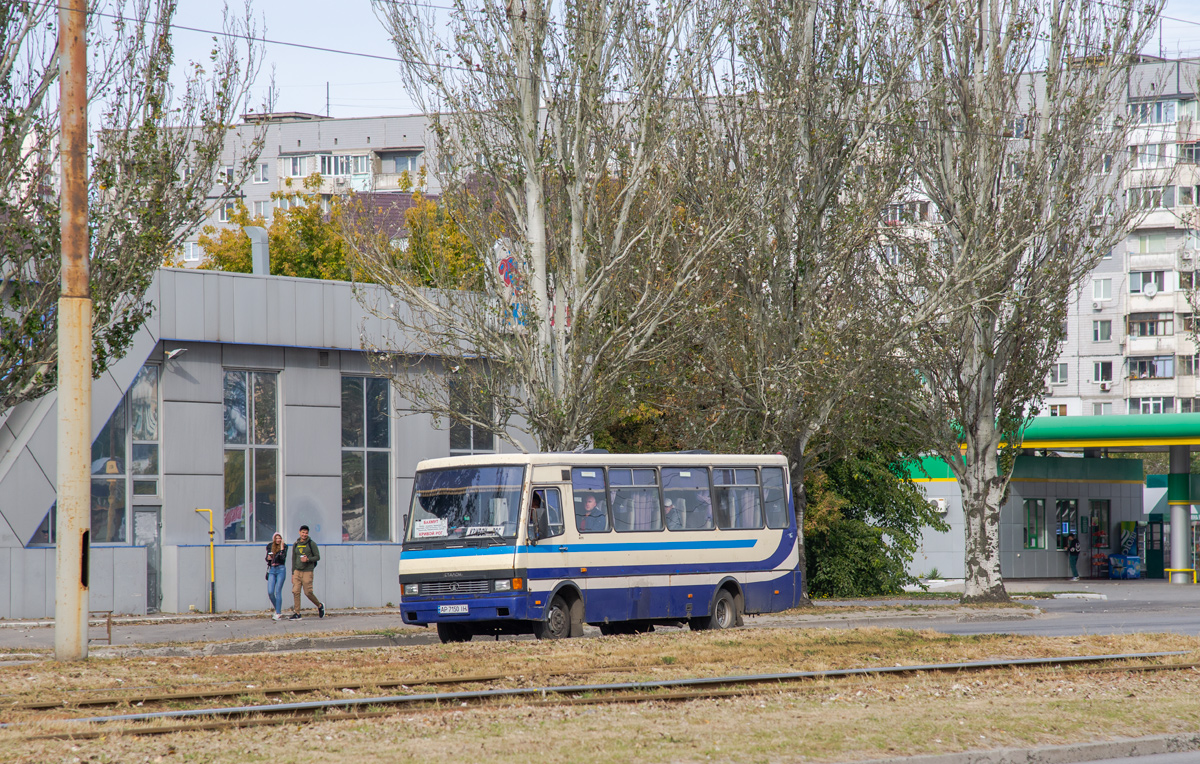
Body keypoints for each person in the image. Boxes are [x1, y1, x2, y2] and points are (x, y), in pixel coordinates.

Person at [290, 525, 324, 620]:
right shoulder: (296, 544)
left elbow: (317, 557)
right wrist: (293, 573)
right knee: (295, 591)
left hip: (307, 571)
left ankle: (320, 605)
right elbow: (294, 559)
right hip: (297, 571)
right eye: (303, 532)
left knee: (308, 592)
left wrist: (308, 559)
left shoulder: (311, 544)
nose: (304, 534)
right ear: (299, 532)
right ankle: (297, 613)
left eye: (306, 533)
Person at [265, 532, 288, 620]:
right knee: (270, 592)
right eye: (276, 538)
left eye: (280, 538)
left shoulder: (285, 546)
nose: (278, 540)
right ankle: (278, 609)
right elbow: (266, 558)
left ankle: (278, 613)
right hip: (272, 569)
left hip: (281, 569)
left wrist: (281, 549)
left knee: (278, 591)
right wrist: (268, 558)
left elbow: (282, 558)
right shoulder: (270, 546)